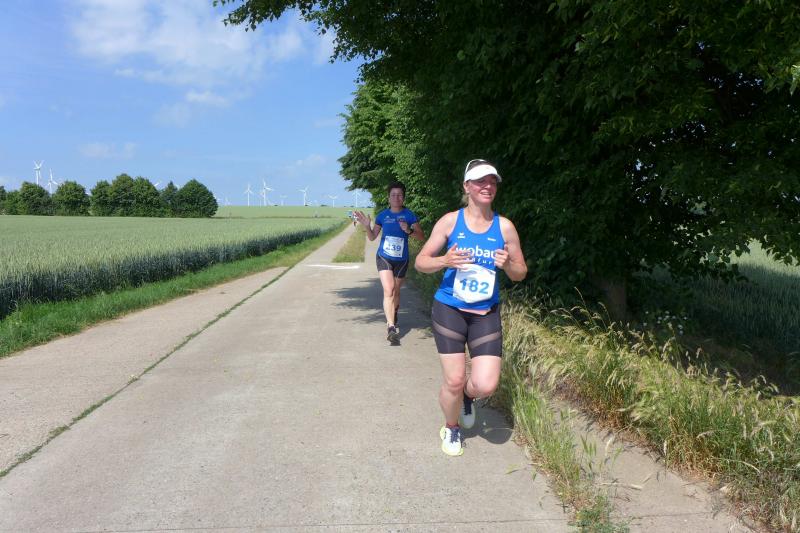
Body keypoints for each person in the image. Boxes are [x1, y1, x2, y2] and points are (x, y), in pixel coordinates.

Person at [414, 159, 527, 456]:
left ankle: (467, 396)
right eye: (480, 181)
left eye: (492, 181)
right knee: (453, 379)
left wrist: (509, 265)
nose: (487, 186)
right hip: (450, 308)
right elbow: (421, 262)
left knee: (485, 385)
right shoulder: (451, 222)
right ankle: (451, 427)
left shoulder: (505, 227)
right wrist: (444, 261)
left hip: (485, 313)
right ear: (467, 186)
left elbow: (520, 272)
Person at [354, 181, 424, 344]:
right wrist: (367, 226)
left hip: (402, 260)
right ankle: (391, 327)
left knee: (396, 292)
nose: (396, 198)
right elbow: (372, 237)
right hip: (384, 257)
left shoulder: (409, 215)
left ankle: (394, 312)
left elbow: (421, 237)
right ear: (388, 197)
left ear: (403, 198)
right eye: (393, 195)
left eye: (399, 195)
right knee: (389, 290)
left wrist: (409, 230)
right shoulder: (382, 216)